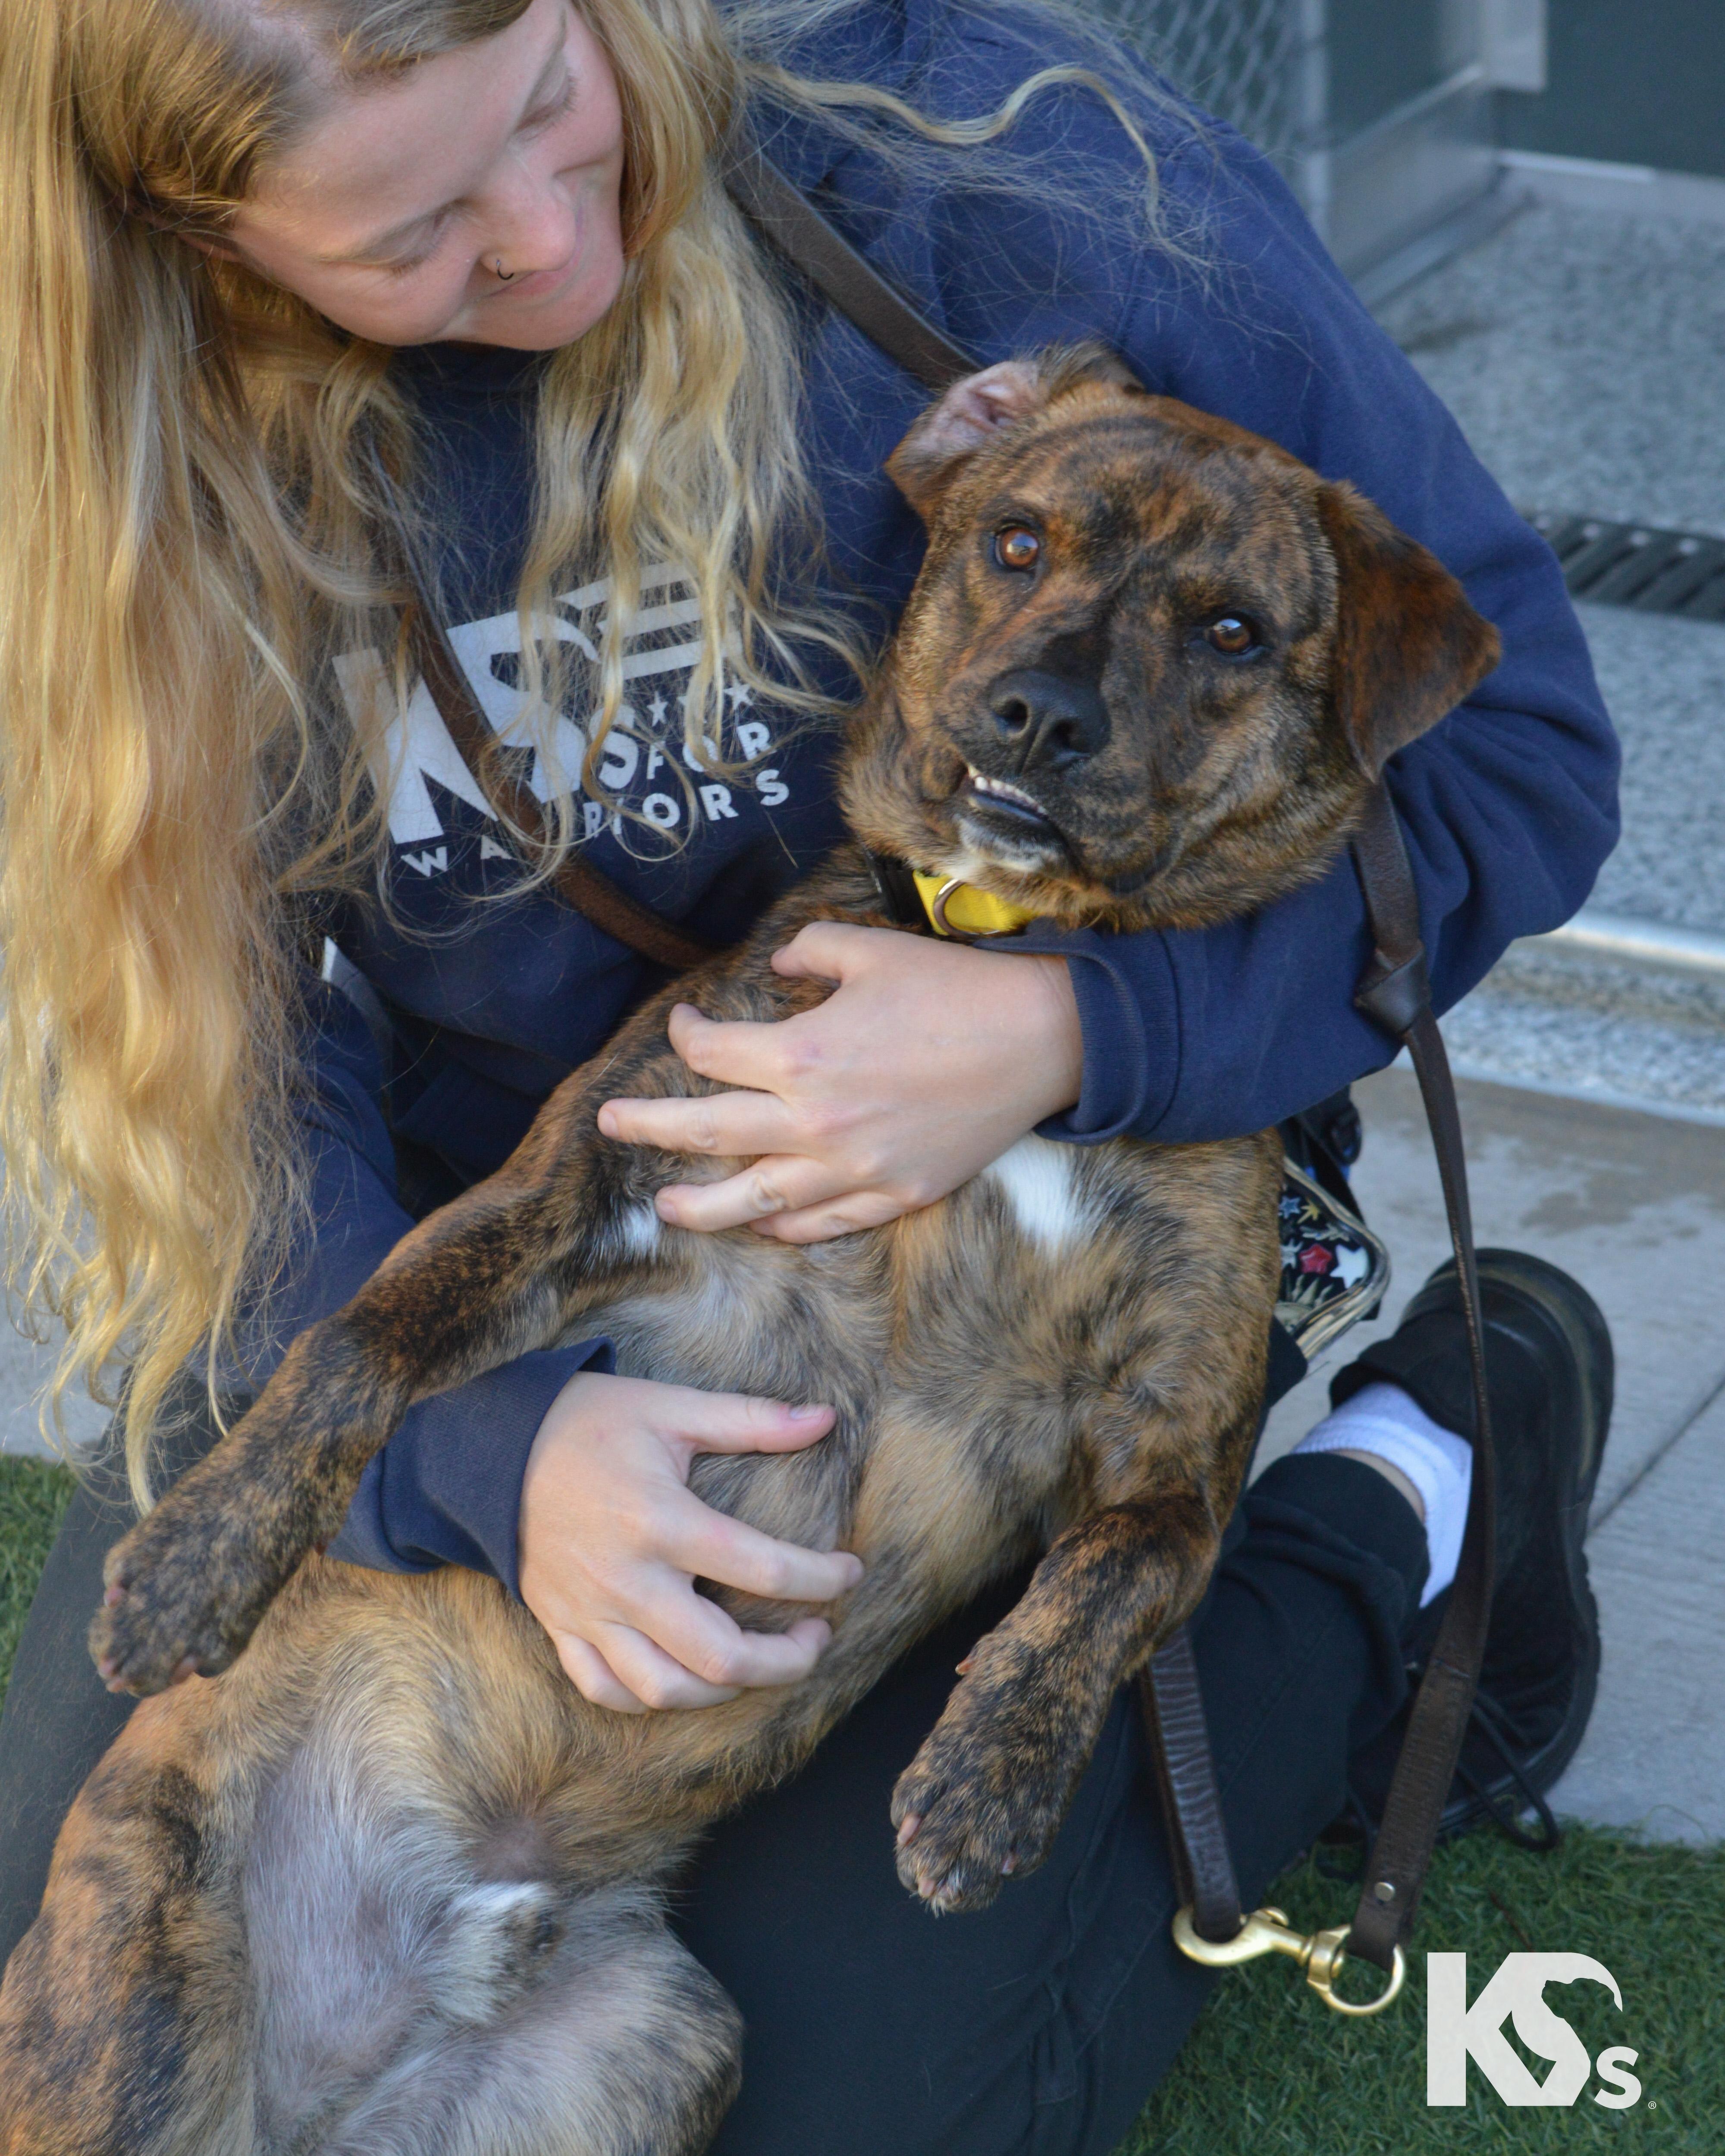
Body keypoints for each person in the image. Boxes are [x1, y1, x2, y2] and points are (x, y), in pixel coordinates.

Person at [0, 0, 1618, 2147]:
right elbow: (230, 1074)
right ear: (203, 243)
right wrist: (496, 1454)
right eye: (413, 234)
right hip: (521, 1247)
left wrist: (1077, 1033)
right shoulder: (137, 458)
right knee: (90, 1953)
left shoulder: (996, 158)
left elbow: (1519, 757)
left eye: (552, 113)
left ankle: (1404, 1498)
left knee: (870, 2093)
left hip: (1068, 1225)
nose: (544, 238)